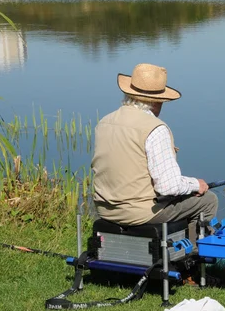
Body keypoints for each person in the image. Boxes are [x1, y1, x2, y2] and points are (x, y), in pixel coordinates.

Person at [91, 63, 218, 245]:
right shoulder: (155, 129)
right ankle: (191, 262)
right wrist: (195, 184)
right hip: (140, 213)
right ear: (157, 101)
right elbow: (168, 187)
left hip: (104, 209)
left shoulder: (105, 122)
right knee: (207, 201)